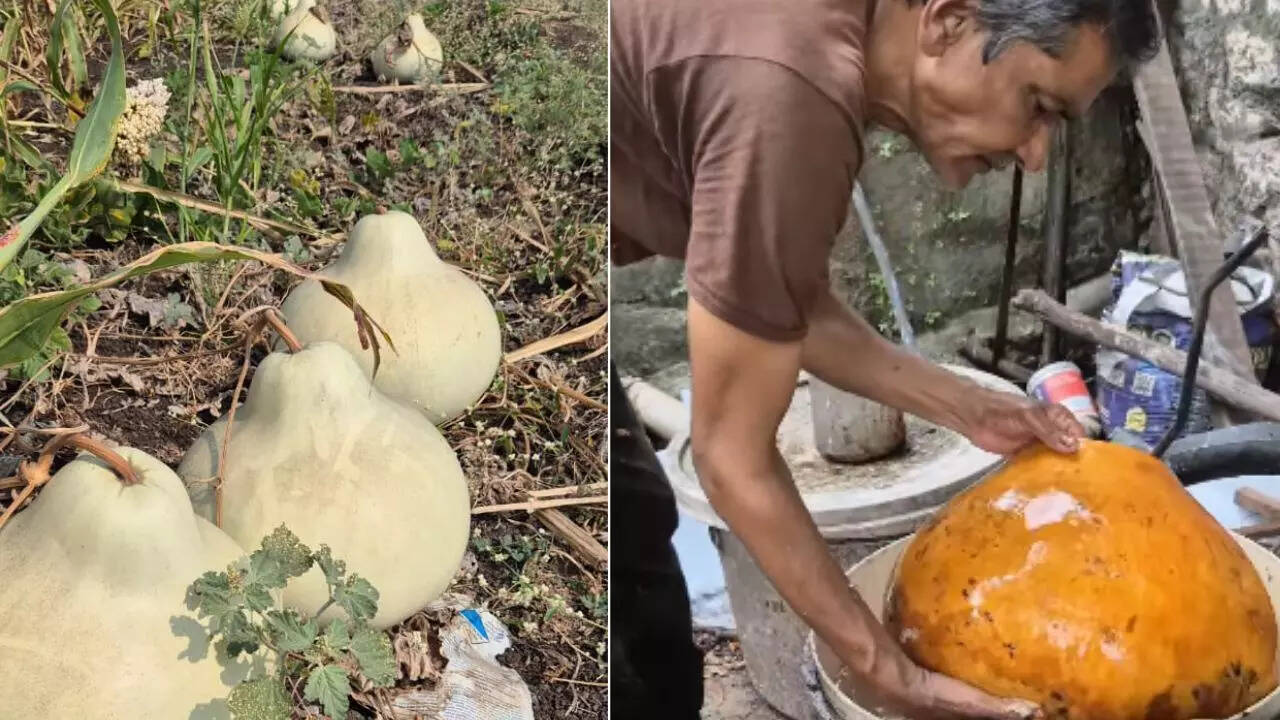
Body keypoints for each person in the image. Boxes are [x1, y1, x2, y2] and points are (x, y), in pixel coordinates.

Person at [609, 0, 1161, 717]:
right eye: (1039, 106)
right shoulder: (790, 90)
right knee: (628, 633)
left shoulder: (815, 49)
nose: (1035, 153)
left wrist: (970, 406)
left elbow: (779, 301)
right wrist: (890, 674)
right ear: (948, 21)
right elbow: (731, 458)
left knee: (638, 531)